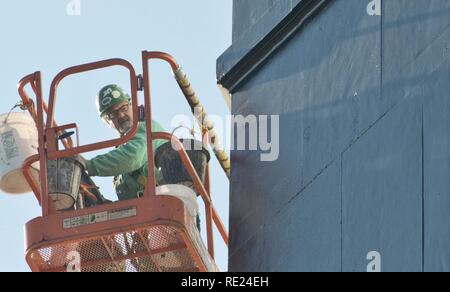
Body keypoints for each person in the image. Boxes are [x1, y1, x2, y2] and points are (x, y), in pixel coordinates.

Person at [78, 84, 166, 201]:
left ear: (132, 106)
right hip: (143, 209)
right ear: (107, 122)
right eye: (112, 114)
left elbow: (133, 156)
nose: (120, 115)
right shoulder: (121, 153)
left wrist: (89, 165)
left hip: (162, 200)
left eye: (123, 108)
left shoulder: (147, 128)